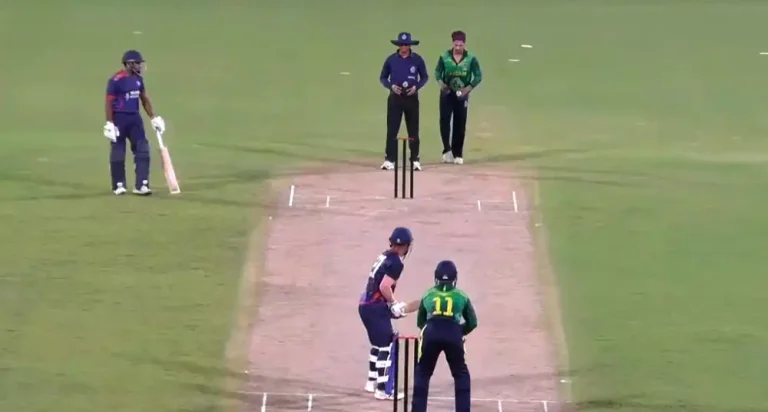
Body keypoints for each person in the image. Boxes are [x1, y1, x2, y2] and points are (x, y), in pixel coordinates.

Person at [358, 227, 417, 400]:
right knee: (386, 346)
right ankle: (383, 390)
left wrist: (389, 304)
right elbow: (384, 286)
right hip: (375, 307)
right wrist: (393, 303)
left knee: (377, 345)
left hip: (365, 305)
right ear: (405, 245)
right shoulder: (396, 263)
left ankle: (371, 382)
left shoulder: (384, 255)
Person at [410, 260, 478, 412]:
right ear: (455, 278)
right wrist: (459, 331)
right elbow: (473, 322)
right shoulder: (461, 296)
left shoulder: (428, 294)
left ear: (436, 278)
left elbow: (420, 322)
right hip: (453, 334)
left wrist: (430, 330)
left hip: (431, 332)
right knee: (460, 374)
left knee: (423, 373)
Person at [104, 50, 166, 196]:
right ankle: (118, 185)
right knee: (118, 152)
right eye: (137, 63)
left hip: (135, 119)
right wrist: (109, 123)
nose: (140, 66)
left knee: (142, 150)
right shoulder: (115, 80)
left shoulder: (138, 80)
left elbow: (144, 99)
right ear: (129, 64)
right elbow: (108, 102)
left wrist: (153, 117)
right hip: (119, 119)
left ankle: (142, 184)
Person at [379, 32, 428, 172]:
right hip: (395, 98)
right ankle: (390, 160)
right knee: (392, 130)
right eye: (401, 44)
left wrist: (416, 87)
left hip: (412, 99)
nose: (404, 47)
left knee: (413, 130)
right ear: (398, 45)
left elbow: (424, 77)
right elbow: (383, 77)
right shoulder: (391, 60)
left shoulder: (417, 60)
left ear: (410, 45)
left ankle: (415, 160)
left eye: (406, 44)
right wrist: (391, 86)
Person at [434, 31, 483, 165]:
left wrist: (467, 89)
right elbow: (437, 72)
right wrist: (441, 84)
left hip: (462, 95)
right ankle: (447, 150)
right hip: (447, 93)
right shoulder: (444, 57)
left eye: (460, 45)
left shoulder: (471, 58)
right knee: (444, 122)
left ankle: (458, 153)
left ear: (464, 44)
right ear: (452, 43)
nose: (458, 48)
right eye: (456, 45)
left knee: (460, 123)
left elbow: (478, 76)